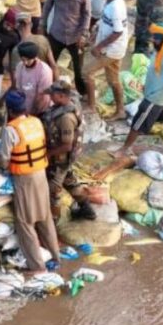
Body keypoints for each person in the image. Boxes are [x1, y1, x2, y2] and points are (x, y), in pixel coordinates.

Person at [1, 89, 60, 272]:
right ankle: (56, 257)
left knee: (25, 222)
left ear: (9, 110)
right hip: (41, 173)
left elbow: (4, 159)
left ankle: (37, 267)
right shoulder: (35, 121)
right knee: (45, 217)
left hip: (24, 178)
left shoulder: (10, 130)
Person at [119, 23, 163, 154]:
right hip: (156, 94)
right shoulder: (160, 48)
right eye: (153, 37)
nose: (153, 40)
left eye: (156, 38)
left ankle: (124, 149)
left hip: (156, 98)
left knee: (138, 122)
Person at [42, 79, 96, 222]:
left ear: (61, 96)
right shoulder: (66, 105)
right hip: (62, 159)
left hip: (60, 160)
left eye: (52, 95)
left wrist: (48, 154)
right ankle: (87, 210)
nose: (50, 97)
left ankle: (53, 221)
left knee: (52, 191)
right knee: (70, 182)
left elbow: (67, 146)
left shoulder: (66, 118)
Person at [83, 0, 129, 120]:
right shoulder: (111, 1)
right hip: (114, 48)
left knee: (87, 72)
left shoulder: (116, 8)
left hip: (112, 50)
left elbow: (118, 31)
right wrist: (95, 31)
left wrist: (99, 47)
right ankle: (120, 110)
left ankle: (91, 106)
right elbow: (106, 21)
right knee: (113, 80)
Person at [9, 11, 57, 76]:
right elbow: (53, 65)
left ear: (16, 26)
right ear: (31, 25)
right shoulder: (43, 40)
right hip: (45, 78)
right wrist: (56, 81)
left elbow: (15, 75)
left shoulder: (17, 49)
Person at [13, 41, 54, 115]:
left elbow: (41, 95)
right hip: (24, 106)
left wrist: (34, 112)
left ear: (35, 57)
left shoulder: (44, 71)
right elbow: (19, 88)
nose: (25, 63)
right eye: (23, 60)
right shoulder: (20, 66)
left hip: (40, 107)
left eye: (28, 60)